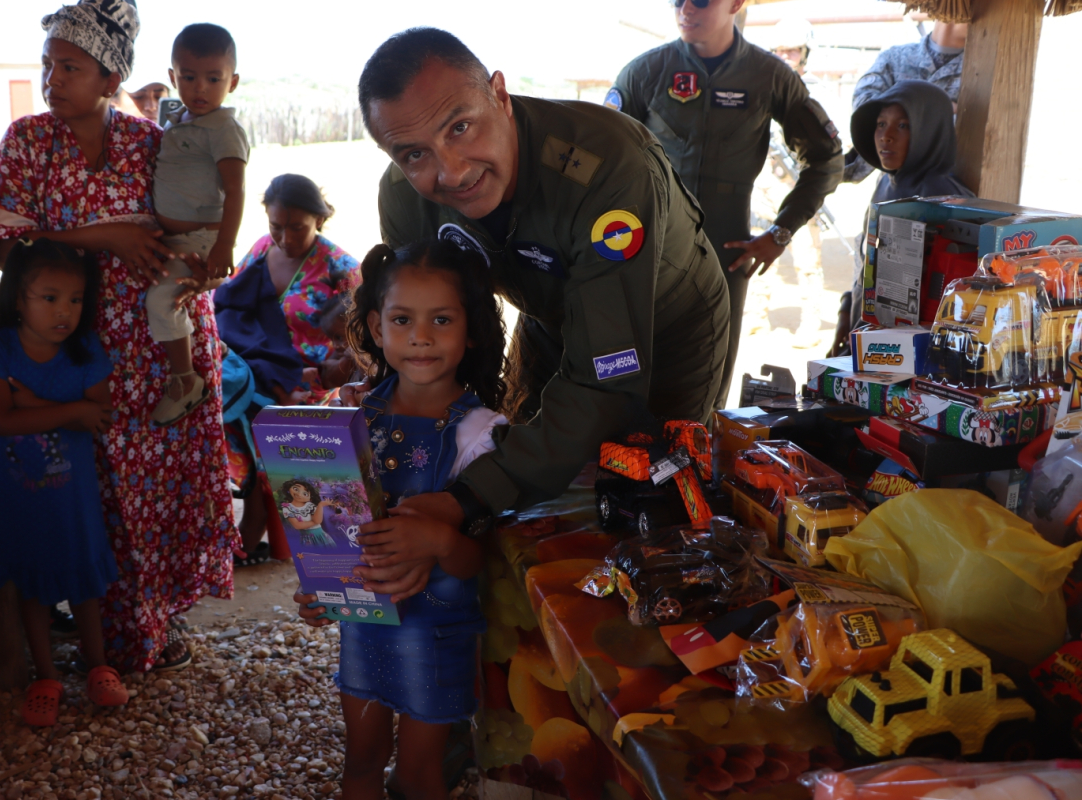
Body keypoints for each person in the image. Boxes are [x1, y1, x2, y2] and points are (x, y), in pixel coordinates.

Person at [357, 28, 729, 602]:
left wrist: (468, 496)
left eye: (460, 127)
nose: (450, 172)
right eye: (414, 154)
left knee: (651, 502)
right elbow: (427, 345)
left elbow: (606, 373)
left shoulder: (606, 170)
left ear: (499, 96)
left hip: (666, 324)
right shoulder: (407, 200)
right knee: (520, 510)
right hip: (546, 318)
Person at [0, 0, 239, 673]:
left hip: (165, 350)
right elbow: (4, 243)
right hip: (74, 355)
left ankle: (147, 629)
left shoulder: (152, 141)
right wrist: (105, 238)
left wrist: (205, 260)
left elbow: (202, 212)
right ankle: (102, 631)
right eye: (47, 65)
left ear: (108, 75)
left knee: (156, 488)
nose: (51, 78)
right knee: (86, 490)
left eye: (69, 66)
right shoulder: (28, 142)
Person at [295, 239, 505, 800]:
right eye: (403, 319)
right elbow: (327, 528)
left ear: (472, 328)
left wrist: (438, 537)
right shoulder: (349, 415)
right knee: (360, 763)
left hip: (438, 634)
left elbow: (480, 561)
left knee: (417, 777)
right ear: (375, 325)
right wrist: (321, 588)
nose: (421, 336)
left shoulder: (482, 433)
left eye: (442, 319)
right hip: (362, 626)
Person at [607, 0, 843, 410]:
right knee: (628, 369)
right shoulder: (646, 72)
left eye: (699, 0)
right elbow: (601, 155)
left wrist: (780, 232)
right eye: (676, 1)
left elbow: (826, 159)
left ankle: (698, 461)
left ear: (736, 3)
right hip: (649, 245)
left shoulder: (770, 76)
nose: (684, 9)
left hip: (727, 249)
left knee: (709, 378)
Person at [0, 238, 129, 726]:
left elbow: (98, 416)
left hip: (74, 501)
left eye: (76, 299)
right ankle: (46, 674)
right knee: (33, 589)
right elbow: (2, 421)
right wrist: (71, 411)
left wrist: (34, 404)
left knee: (84, 582)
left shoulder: (86, 350)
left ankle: (98, 666)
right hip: (18, 501)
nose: (65, 311)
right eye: (50, 297)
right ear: (19, 297)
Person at [216, 175, 360, 564]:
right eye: (275, 227)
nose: (284, 238)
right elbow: (229, 304)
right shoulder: (262, 250)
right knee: (253, 468)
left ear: (319, 218)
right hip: (256, 383)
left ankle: (329, 562)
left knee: (303, 483)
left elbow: (362, 345)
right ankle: (252, 536)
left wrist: (324, 375)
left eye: (297, 227)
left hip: (310, 392)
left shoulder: (341, 268)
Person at [149, 23, 248, 426]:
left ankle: (185, 379)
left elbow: (236, 190)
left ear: (233, 82)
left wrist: (226, 245)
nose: (200, 88)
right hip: (174, 239)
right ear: (173, 78)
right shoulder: (177, 121)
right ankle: (199, 357)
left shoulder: (224, 129)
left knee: (162, 301)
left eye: (213, 78)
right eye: (188, 78)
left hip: (203, 241)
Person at [828, 79, 974, 353]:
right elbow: (868, 261)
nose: (886, 136)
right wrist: (847, 309)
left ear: (929, 131)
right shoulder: (887, 182)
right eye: (881, 124)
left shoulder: (943, 199)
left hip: (907, 352)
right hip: (866, 334)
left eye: (903, 125)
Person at [845, 22, 968, 183]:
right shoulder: (896, 57)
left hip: (957, 191)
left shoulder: (987, 71)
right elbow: (864, 109)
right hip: (894, 190)